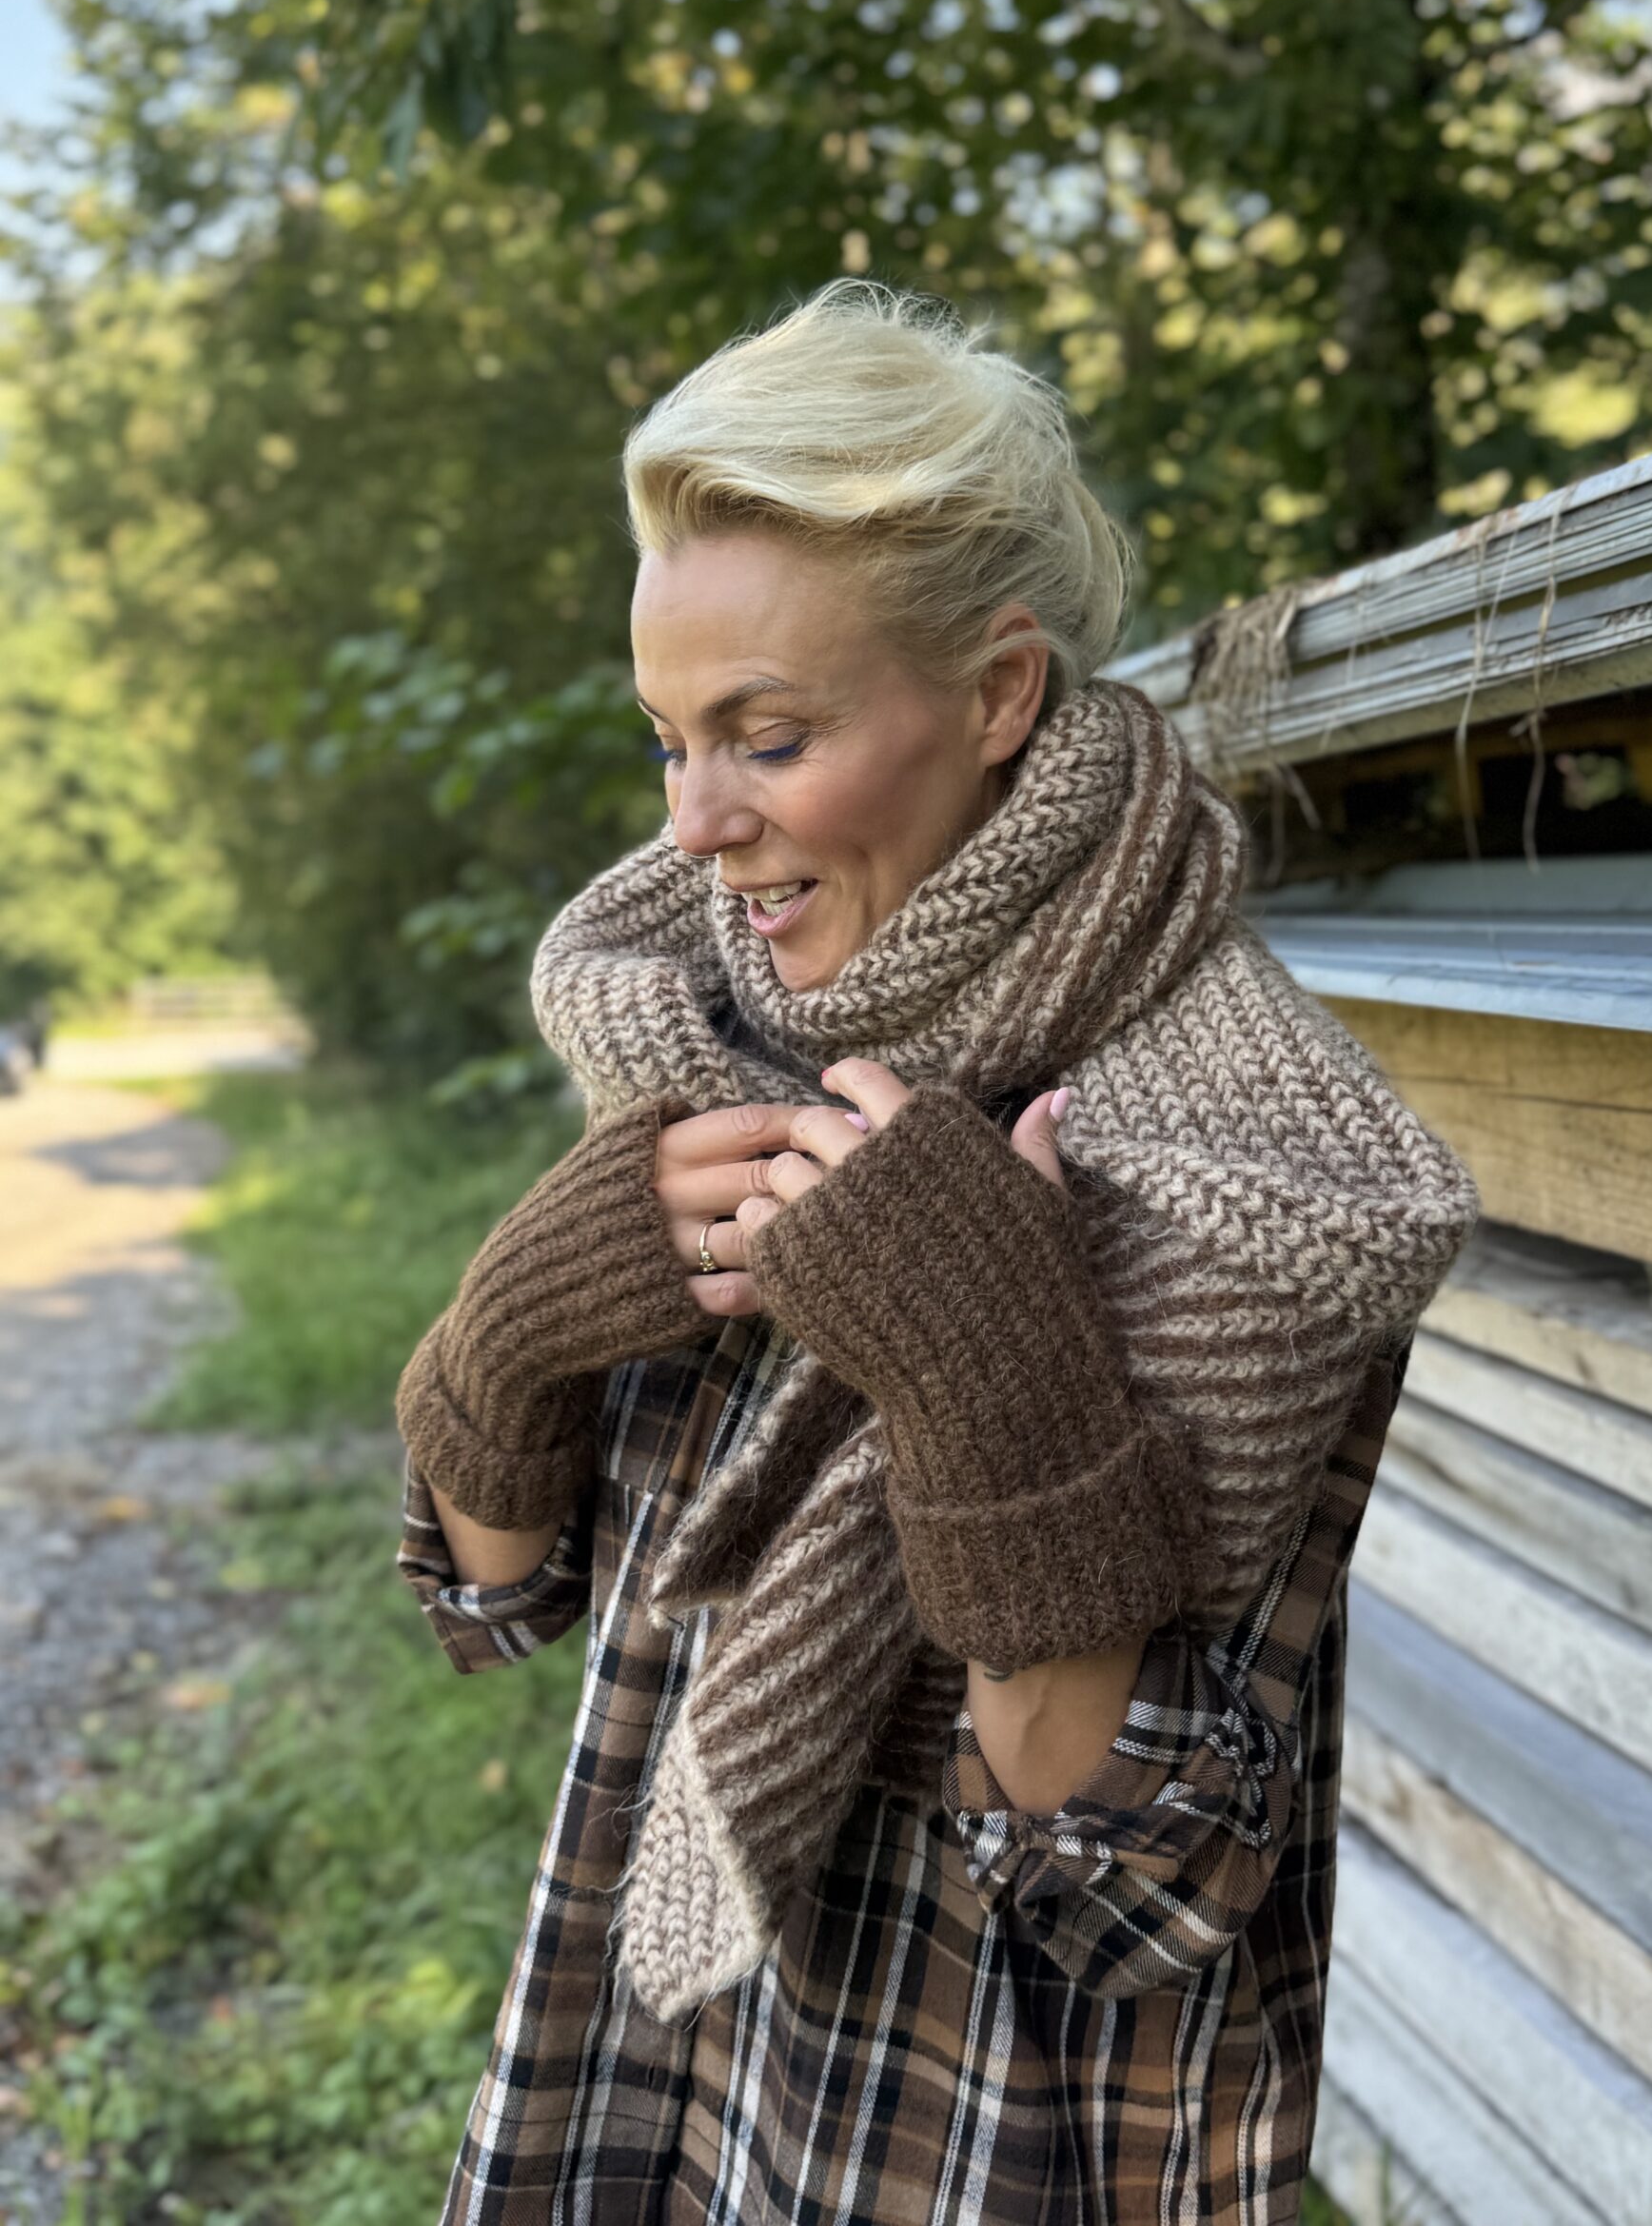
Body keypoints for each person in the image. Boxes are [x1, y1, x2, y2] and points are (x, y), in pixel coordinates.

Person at [393, 279, 1480, 2225]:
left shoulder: (1243, 1156)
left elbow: (1131, 1875)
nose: (702, 822)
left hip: (970, 2118)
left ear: (997, 691)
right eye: (668, 740)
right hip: (637, 2055)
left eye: (770, 734)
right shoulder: (694, 1024)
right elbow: (491, 1598)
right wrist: (510, 1323)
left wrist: (991, 1372)